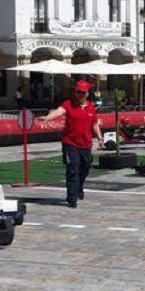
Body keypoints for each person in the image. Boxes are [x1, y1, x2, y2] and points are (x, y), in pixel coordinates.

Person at [38, 80, 102, 208]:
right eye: (78, 92)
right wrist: (48, 117)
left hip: (85, 143)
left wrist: (100, 138)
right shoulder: (68, 104)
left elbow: (94, 124)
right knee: (73, 167)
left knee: (85, 165)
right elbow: (59, 111)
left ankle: (79, 187)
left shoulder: (90, 107)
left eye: (83, 93)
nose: (80, 95)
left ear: (87, 94)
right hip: (70, 143)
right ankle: (72, 198)